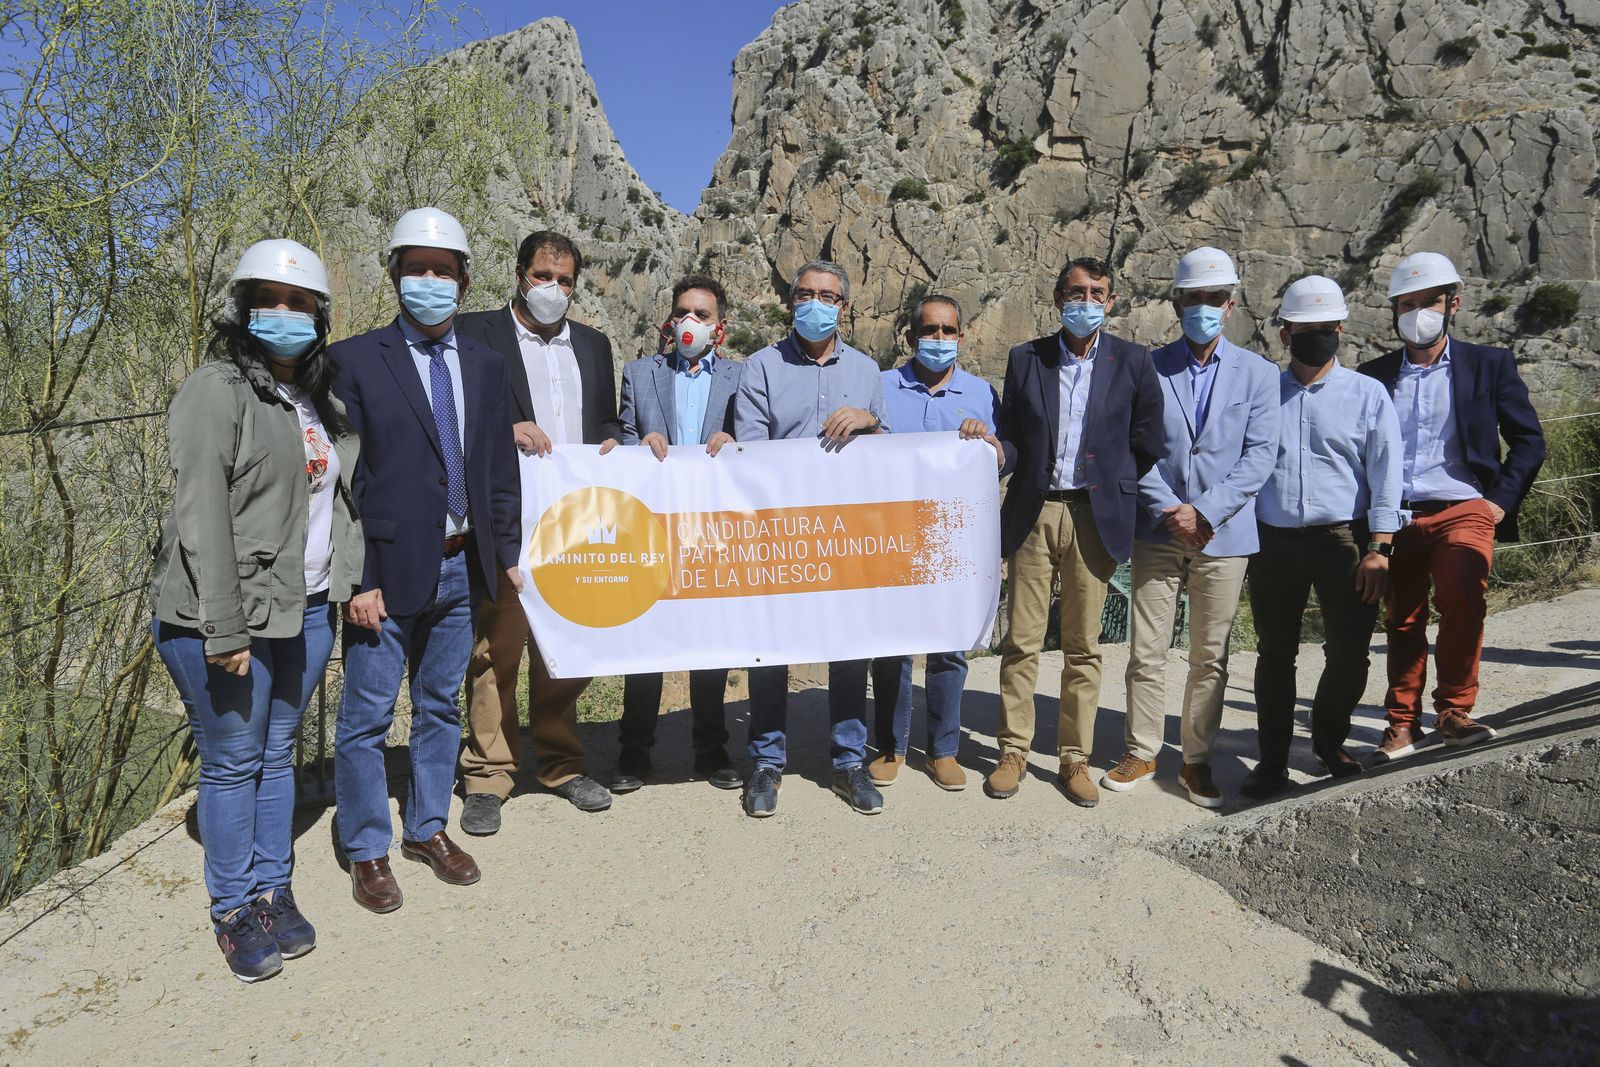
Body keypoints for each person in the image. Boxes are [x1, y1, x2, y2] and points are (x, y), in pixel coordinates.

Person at [150, 239, 362, 981]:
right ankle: (233, 907)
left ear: (319, 316)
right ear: (243, 309)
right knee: (235, 757)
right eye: (268, 299)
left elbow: (331, 502)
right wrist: (222, 624)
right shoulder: (217, 389)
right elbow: (200, 508)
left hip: (301, 609)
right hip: (225, 614)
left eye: (299, 302)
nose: (284, 313)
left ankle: (272, 886)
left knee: (277, 753)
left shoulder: (314, 396)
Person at [331, 207, 521, 912]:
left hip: (460, 565)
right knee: (367, 717)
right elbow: (344, 483)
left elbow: (498, 468)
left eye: (444, 270)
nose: (430, 281)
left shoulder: (487, 363)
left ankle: (427, 827)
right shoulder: (354, 359)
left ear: (464, 281)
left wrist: (504, 554)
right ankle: (367, 850)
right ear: (395, 275)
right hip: (383, 575)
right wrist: (358, 579)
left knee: (441, 704)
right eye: (418, 269)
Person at [454, 231, 625, 833]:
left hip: (576, 526)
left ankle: (562, 764)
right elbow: (453, 417)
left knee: (566, 651)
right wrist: (506, 430)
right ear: (519, 275)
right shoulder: (476, 334)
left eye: (565, 281)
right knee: (495, 651)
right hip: (506, 520)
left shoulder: (596, 345)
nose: (554, 289)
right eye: (542, 276)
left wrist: (612, 441)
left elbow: (607, 419)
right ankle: (488, 775)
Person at [1106, 246, 1279, 809]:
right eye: (1192, 298)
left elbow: (1259, 455)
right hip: (1158, 531)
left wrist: (1204, 511)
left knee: (1210, 655)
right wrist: (1171, 508)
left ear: (1229, 305)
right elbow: (1136, 448)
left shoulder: (1257, 374)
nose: (1202, 307)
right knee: (1146, 650)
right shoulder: (1148, 367)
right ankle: (1143, 748)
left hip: (1223, 536)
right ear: (1176, 302)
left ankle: (1196, 760)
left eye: (1213, 298)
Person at [990, 256, 1165, 807]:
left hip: (1095, 516)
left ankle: (1074, 759)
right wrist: (994, 453)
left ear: (1110, 301)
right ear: (1057, 296)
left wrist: (1112, 483)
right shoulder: (1026, 359)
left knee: (1083, 646)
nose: (1084, 301)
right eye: (1075, 291)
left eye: (1096, 293)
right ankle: (1014, 750)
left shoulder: (1133, 361)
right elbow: (1014, 434)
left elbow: (1148, 440)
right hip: (1034, 510)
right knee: (1021, 639)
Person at [1357, 252, 1545, 762]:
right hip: (1394, 515)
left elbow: (1528, 441)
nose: (1418, 312)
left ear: (1452, 305)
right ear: (1394, 310)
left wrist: (1498, 504)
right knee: (1402, 616)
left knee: (1463, 595)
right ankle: (1401, 724)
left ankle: (1454, 710)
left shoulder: (1490, 364)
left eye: (1429, 302)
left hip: (1463, 505)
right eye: (1407, 303)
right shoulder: (1371, 377)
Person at [733, 259, 889, 817]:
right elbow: (750, 451)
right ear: (790, 301)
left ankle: (850, 761)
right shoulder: (760, 367)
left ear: (843, 306)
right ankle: (766, 762)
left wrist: (870, 421)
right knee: (771, 647)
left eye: (827, 295)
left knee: (850, 647)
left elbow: (894, 452)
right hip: (781, 534)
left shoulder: (870, 373)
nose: (815, 304)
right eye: (805, 294)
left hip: (847, 537)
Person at [1240, 276, 1403, 800]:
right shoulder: (1262, 394)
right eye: (1305, 328)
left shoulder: (1367, 394)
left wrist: (1379, 548)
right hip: (1274, 541)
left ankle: (1330, 743)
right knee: (1274, 654)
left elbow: (1386, 473)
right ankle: (1270, 763)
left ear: (1341, 328)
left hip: (1345, 540)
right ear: (1285, 334)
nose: (1318, 336)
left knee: (1351, 654)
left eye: (1327, 327)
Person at [608, 275, 744, 794]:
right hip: (653, 528)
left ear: (720, 328)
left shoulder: (741, 376)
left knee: (710, 645)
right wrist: (638, 442)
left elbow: (758, 438)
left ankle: (712, 751)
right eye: (683, 312)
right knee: (647, 642)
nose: (691, 322)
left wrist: (736, 439)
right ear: (670, 322)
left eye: (702, 315)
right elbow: (621, 436)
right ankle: (633, 754)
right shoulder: (640, 374)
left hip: (714, 530)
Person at [867, 293, 1002, 793]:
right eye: (930, 330)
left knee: (950, 646)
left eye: (948, 331)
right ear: (910, 336)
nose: (939, 340)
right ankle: (891, 746)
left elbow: (1002, 455)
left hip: (954, 535)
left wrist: (988, 444)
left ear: (962, 337)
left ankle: (944, 750)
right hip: (891, 534)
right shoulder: (879, 387)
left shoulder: (982, 394)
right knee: (893, 646)